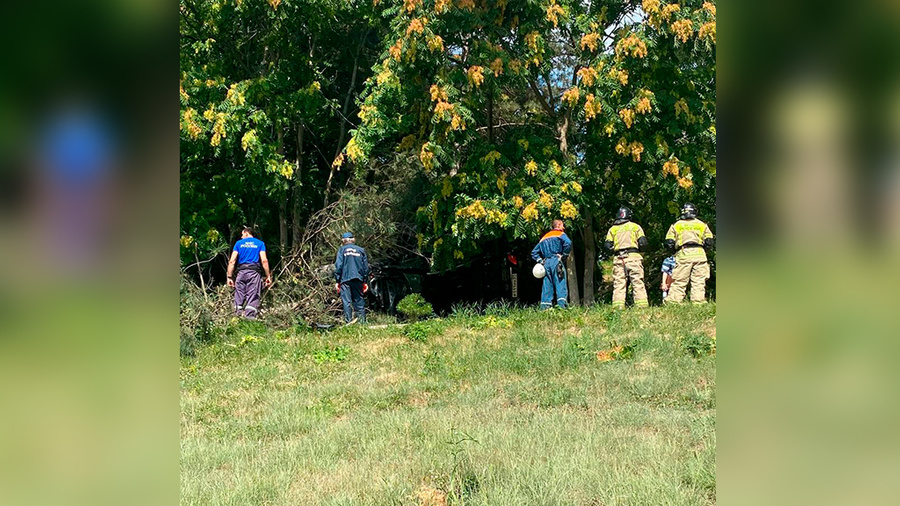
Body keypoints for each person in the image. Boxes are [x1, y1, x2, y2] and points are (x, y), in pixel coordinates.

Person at [664, 203, 715, 303]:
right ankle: (698, 302)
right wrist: (703, 250)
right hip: (700, 254)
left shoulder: (676, 225)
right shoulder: (702, 225)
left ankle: (674, 301)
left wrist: (675, 252)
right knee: (699, 280)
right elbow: (709, 242)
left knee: (680, 279)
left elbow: (669, 243)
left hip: (684, 254)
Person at [603, 206, 649, 308]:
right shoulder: (635, 227)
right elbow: (643, 243)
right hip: (633, 257)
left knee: (619, 284)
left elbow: (607, 246)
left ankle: (618, 307)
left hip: (619, 258)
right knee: (637, 281)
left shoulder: (612, 229)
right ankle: (642, 306)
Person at [226, 227, 272, 319]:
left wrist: (229, 277)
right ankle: (250, 321)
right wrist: (268, 276)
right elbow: (264, 261)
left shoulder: (238, 244)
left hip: (241, 273)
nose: (241, 237)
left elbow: (232, 261)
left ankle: (236, 319)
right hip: (253, 274)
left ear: (246, 233)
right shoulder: (260, 244)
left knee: (239, 296)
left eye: (242, 235)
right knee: (253, 296)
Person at [531, 219, 572, 309]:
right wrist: (564, 256)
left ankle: (545, 308)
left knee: (547, 284)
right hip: (556, 261)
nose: (563, 227)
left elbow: (534, 252)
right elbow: (568, 243)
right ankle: (562, 307)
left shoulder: (544, 237)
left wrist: (540, 261)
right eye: (562, 225)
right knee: (560, 282)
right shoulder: (560, 234)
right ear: (558, 225)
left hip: (546, 263)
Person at [334, 232, 369, 324]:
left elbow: (339, 266)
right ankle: (362, 323)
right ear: (353, 239)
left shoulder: (342, 250)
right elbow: (365, 267)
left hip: (345, 279)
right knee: (359, 301)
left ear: (343, 240)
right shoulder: (361, 250)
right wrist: (365, 281)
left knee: (347, 302)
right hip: (358, 279)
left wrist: (337, 280)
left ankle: (348, 322)